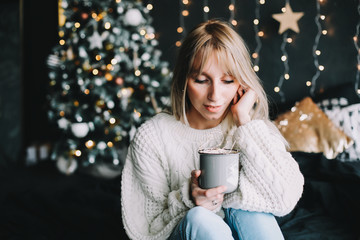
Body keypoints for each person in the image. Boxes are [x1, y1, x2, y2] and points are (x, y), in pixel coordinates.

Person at [121, 19, 304, 240]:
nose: (215, 96)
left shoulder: (252, 128)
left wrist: (244, 121)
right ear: (183, 80)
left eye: (227, 81)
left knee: (251, 212)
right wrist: (189, 199)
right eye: (201, 80)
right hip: (188, 232)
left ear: (242, 83)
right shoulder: (152, 137)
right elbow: (145, 231)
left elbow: (285, 199)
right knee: (200, 219)